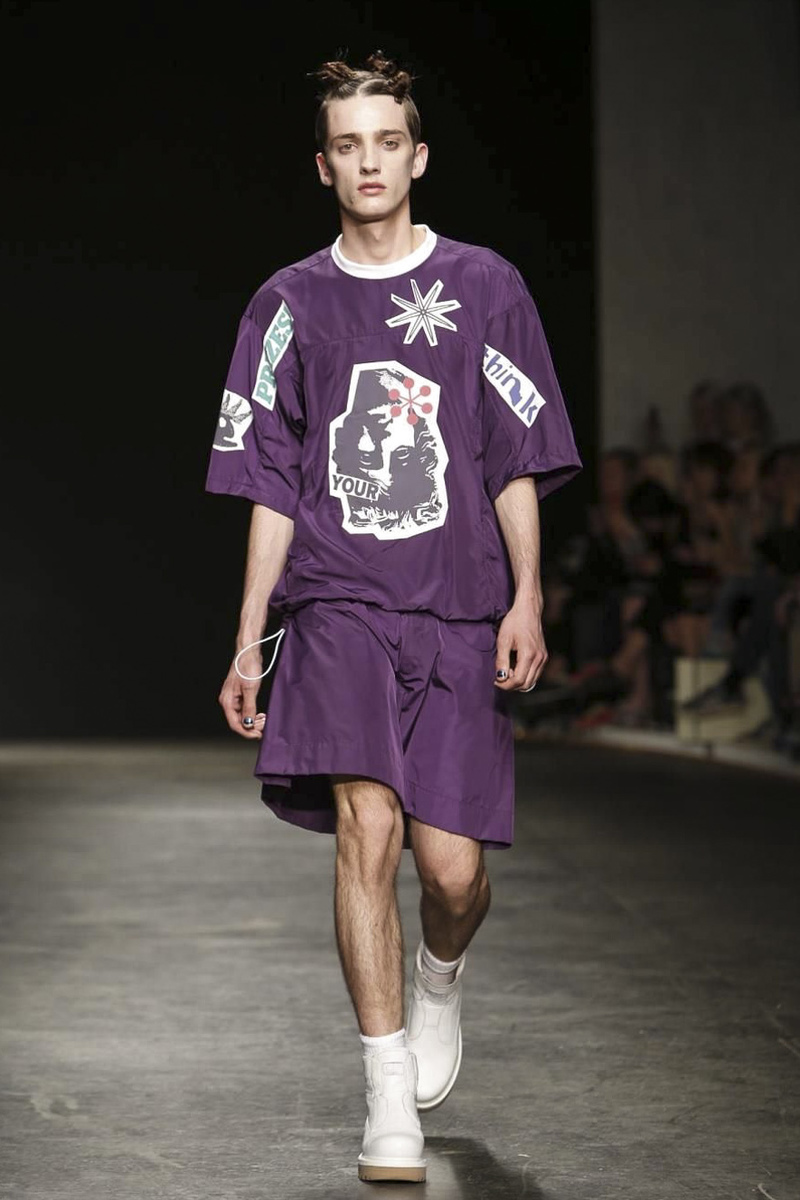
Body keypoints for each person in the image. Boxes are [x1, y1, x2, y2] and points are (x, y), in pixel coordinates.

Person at [205, 51, 581, 1184]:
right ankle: (385, 1097)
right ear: (323, 167)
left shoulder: (486, 287)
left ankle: (438, 976)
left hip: (458, 604)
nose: (367, 162)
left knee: (453, 873)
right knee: (365, 825)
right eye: (347, 145)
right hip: (337, 604)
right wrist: (250, 633)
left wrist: (527, 592)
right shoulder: (286, 305)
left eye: (386, 142)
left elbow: (514, 458)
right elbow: (271, 482)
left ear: (417, 156)